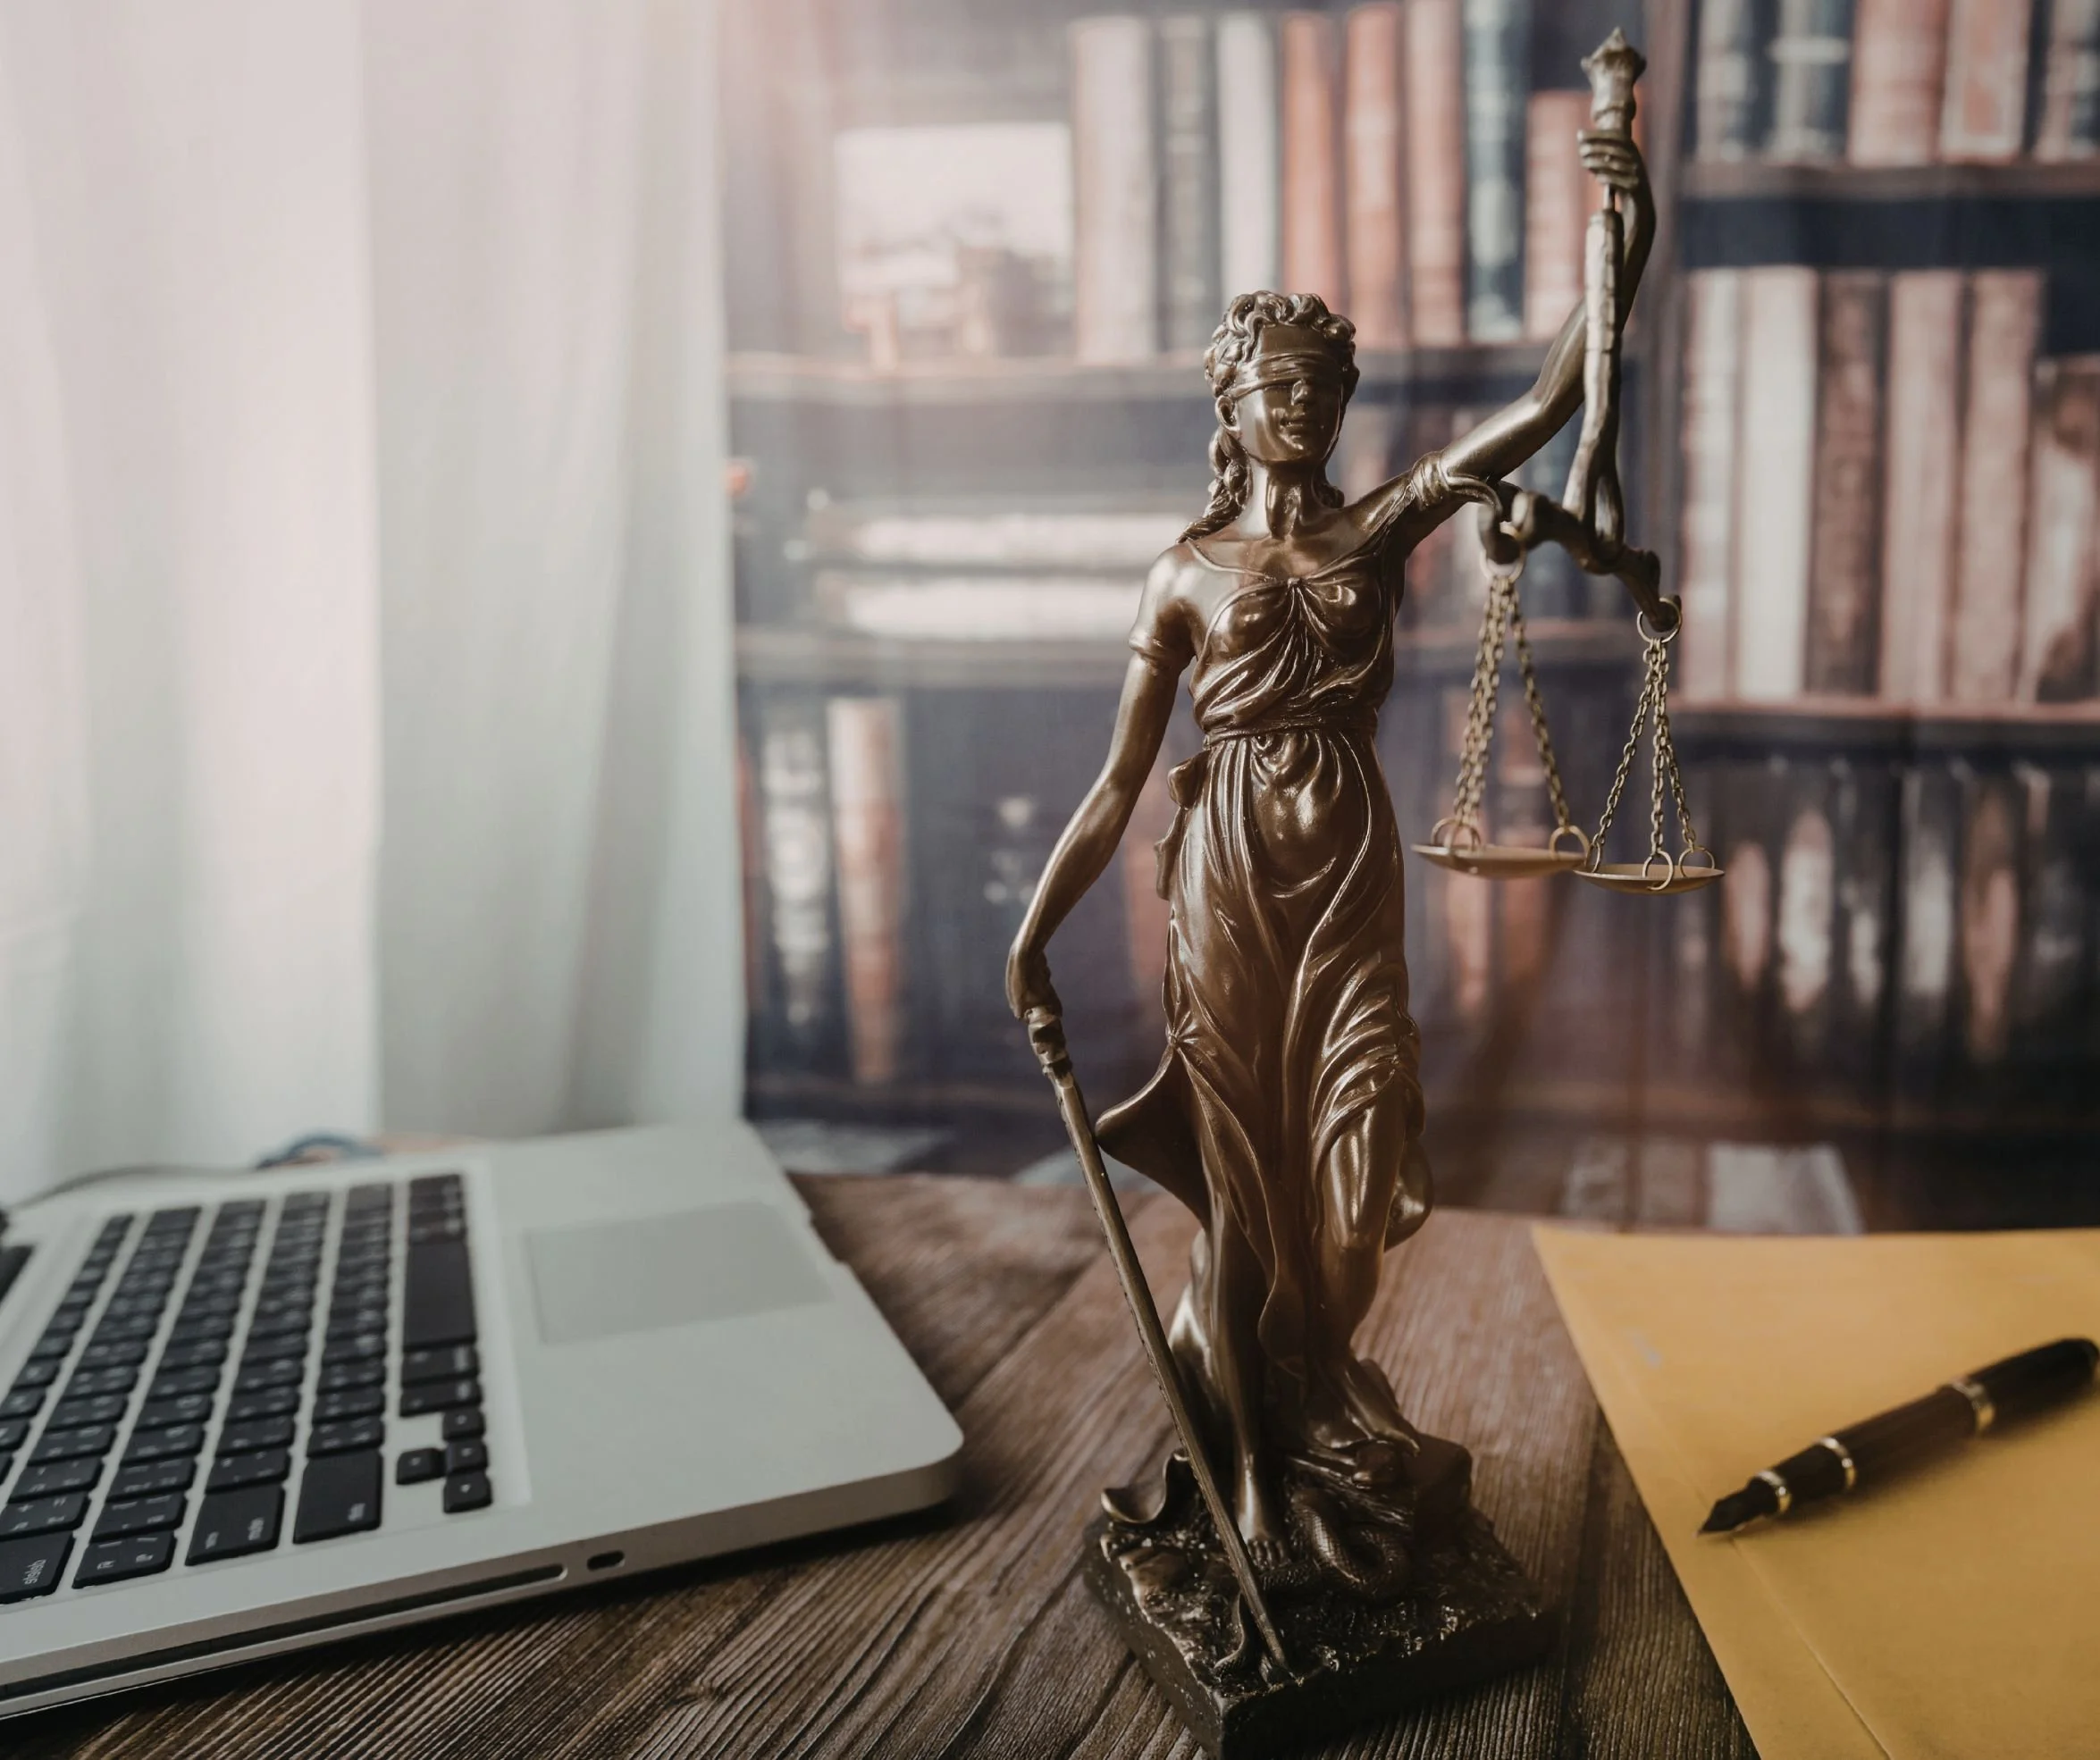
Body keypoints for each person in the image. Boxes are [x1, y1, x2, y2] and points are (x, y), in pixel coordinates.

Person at [1006, 134, 1653, 1565]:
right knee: (1245, 1186)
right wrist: (1031, 933)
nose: (1297, 402)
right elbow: (1118, 782)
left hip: (1348, 874)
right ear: (1228, 413)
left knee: (1356, 1174)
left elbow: (1551, 397)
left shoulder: (1378, 531)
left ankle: (1308, 1394)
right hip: (1227, 876)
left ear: (1344, 406)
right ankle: (1246, 1473)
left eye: (1320, 385)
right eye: (1269, 386)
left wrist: (1625, 222)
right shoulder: (1181, 573)